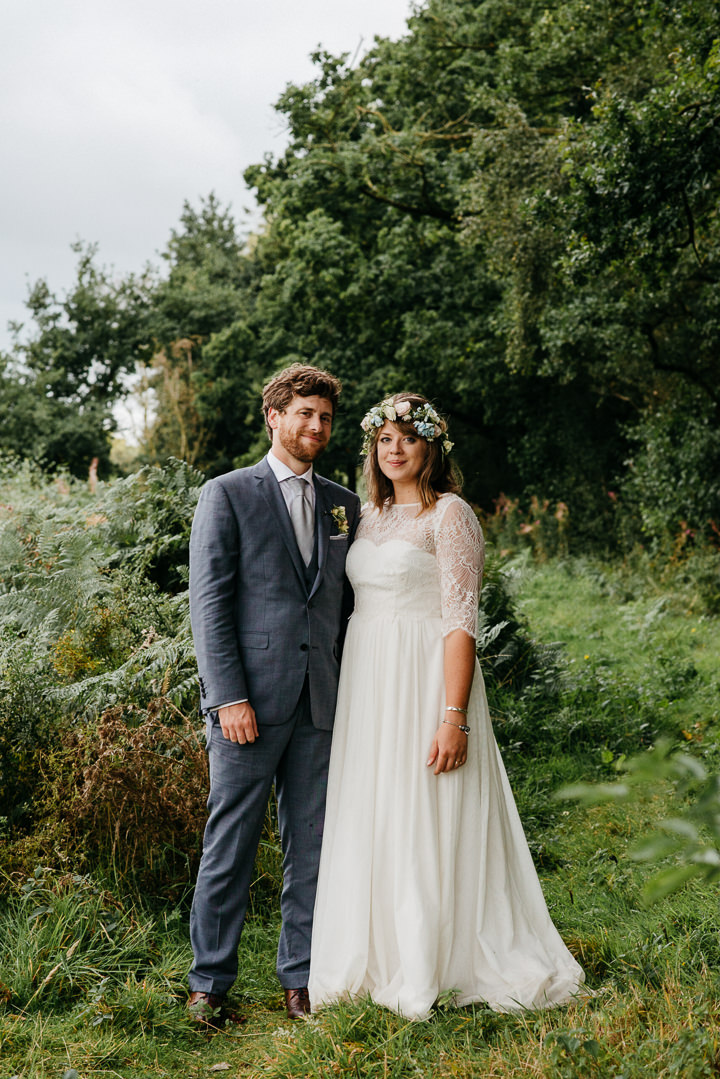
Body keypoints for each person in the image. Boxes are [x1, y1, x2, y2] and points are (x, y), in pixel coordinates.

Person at [308, 392, 585, 1020]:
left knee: (424, 811)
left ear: (431, 446)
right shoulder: (365, 515)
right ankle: (373, 955)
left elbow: (461, 623)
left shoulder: (451, 515)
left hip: (426, 678)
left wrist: (452, 716)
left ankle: (435, 957)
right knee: (375, 808)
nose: (395, 449)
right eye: (384, 440)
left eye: (408, 438)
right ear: (373, 450)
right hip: (368, 677)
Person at [187, 363, 361, 1024]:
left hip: (321, 702)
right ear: (275, 416)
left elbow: (351, 605)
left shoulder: (347, 503)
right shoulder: (227, 494)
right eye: (304, 414)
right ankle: (209, 984)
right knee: (229, 843)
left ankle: (300, 981)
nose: (316, 426)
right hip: (247, 706)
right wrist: (226, 696)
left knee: (311, 848)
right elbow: (210, 606)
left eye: (324, 417)